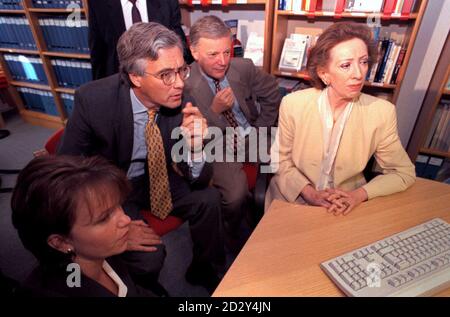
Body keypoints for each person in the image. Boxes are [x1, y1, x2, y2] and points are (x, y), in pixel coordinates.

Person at [58, 22, 225, 294]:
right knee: (149, 258)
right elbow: (65, 170)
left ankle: (206, 269)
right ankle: (143, 288)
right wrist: (115, 219)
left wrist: (195, 148)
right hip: (112, 188)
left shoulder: (183, 99)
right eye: (166, 74)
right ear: (136, 77)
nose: (180, 83)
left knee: (210, 199)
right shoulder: (94, 100)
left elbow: (201, 178)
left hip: (158, 177)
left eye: (182, 70)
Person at [266, 22, 416, 214]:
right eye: (346, 65)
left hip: (346, 205)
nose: (358, 74)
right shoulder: (293, 104)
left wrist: (359, 195)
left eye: (363, 62)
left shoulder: (382, 112)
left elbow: (403, 173)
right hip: (293, 199)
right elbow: (280, 160)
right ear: (324, 74)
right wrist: (310, 193)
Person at [184, 15, 281, 252]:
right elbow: (193, 136)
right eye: (213, 54)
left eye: (226, 52)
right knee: (236, 195)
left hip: (250, 134)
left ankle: (275, 227)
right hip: (216, 144)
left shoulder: (243, 68)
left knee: (286, 164)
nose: (222, 61)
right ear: (194, 52)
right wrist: (214, 111)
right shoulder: (184, 85)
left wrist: (260, 130)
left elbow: (272, 95)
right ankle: (230, 233)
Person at [11, 155, 154, 297]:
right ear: (61, 242)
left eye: (118, 205)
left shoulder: (100, 252)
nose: (126, 219)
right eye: (104, 218)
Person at [88, 0, 193, 80]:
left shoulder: (167, 2)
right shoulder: (98, 3)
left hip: (164, 79)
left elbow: (180, 45)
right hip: (121, 80)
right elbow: (98, 52)